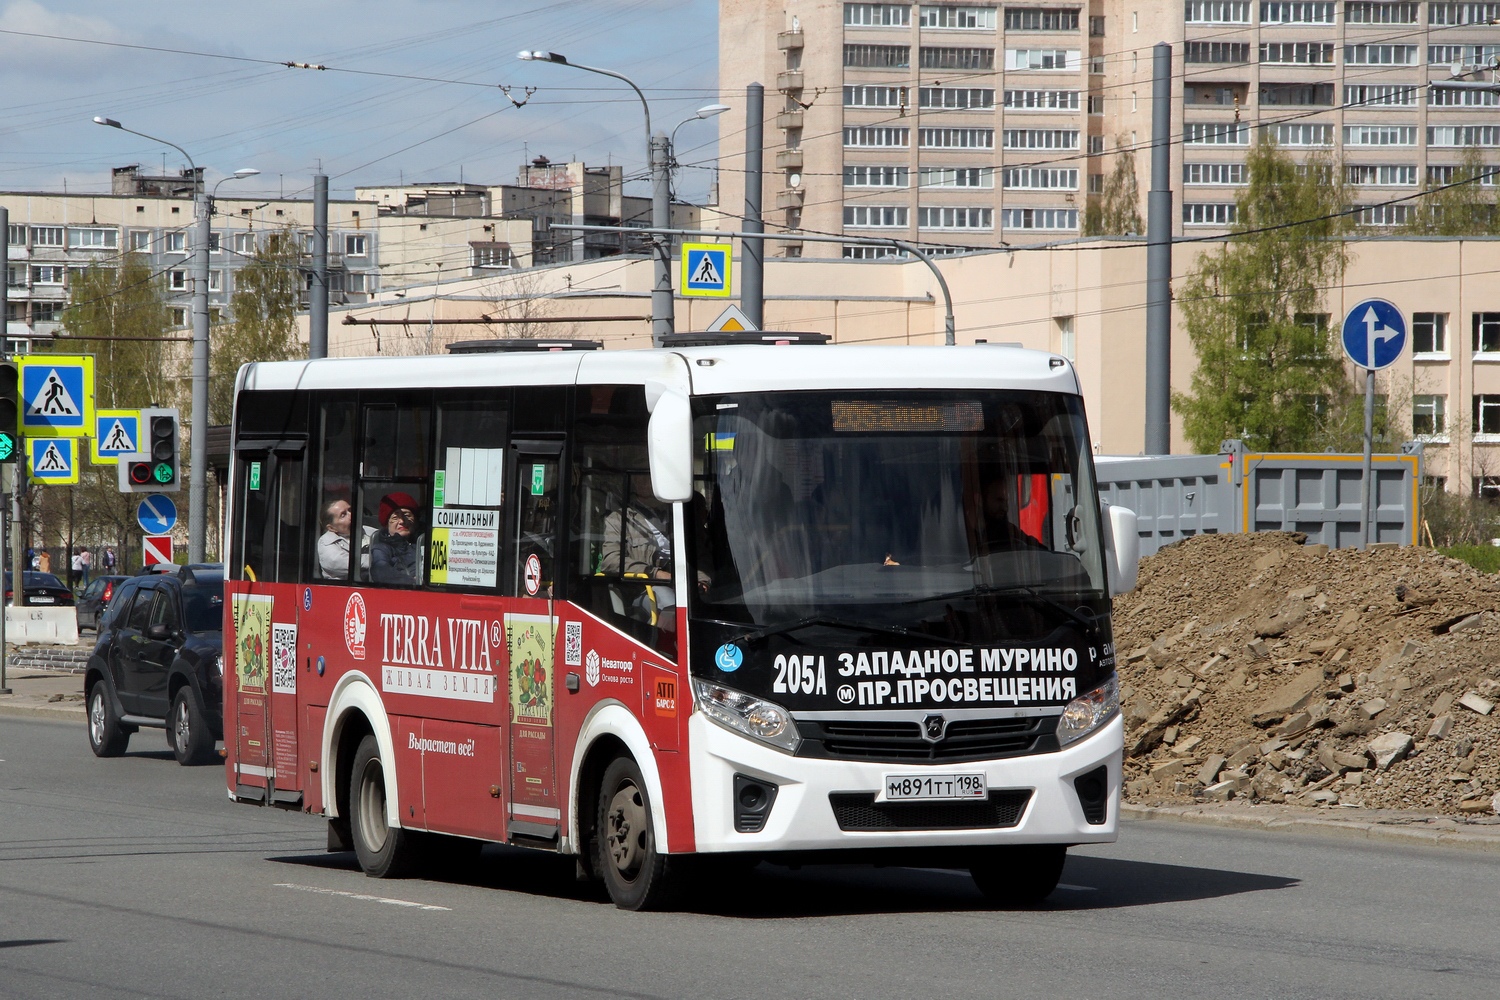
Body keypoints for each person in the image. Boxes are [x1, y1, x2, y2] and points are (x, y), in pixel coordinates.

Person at [369, 492, 422, 584]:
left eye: (407, 515)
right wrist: (414, 582)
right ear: (387, 524)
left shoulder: (425, 543)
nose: (401, 521)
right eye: (395, 517)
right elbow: (381, 572)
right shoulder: (381, 549)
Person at [317, 498, 363, 579]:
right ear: (331, 528)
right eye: (343, 515)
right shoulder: (326, 543)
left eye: (350, 510)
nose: (351, 515)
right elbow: (349, 563)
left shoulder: (367, 530)